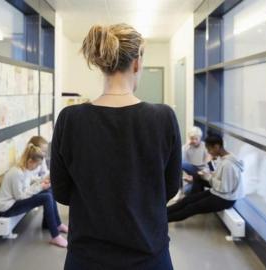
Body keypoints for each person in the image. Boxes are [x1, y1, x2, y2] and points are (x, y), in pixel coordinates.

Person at [50, 23, 181, 270]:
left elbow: (61, 192)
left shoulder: (70, 119)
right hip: (149, 257)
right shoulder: (163, 117)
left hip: (86, 259)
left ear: (101, 64)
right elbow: (170, 188)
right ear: (137, 62)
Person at [0, 143, 68, 248]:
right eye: (37, 165)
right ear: (30, 161)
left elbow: (29, 185)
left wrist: (42, 183)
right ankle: (55, 235)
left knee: (49, 191)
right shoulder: (17, 173)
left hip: (16, 201)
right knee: (46, 197)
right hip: (8, 208)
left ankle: (56, 224)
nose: (37, 167)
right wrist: (40, 187)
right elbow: (20, 196)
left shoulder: (24, 169)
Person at [168, 134, 244, 222]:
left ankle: (161, 221)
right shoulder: (223, 158)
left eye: (209, 149)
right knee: (188, 199)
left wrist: (208, 177)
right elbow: (216, 173)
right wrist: (205, 174)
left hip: (225, 199)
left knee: (191, 207)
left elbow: (225, 188)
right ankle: (162, 213)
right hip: (217, 192)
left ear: (216, 147)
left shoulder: (228, 165)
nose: (209, 152)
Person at [182, 126, 210, 194]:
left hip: (201, 171)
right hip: (191, 170)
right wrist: (185, 147)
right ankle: (182, 189)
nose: (194, 141)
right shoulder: (187, 147)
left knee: (188, 191)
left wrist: (196, 176)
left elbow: (208, 166)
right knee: (186, 191)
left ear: (200, 138)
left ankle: (197, 184)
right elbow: (181, 161)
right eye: (192, 138)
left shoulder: (205, 146)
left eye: (196, 139)